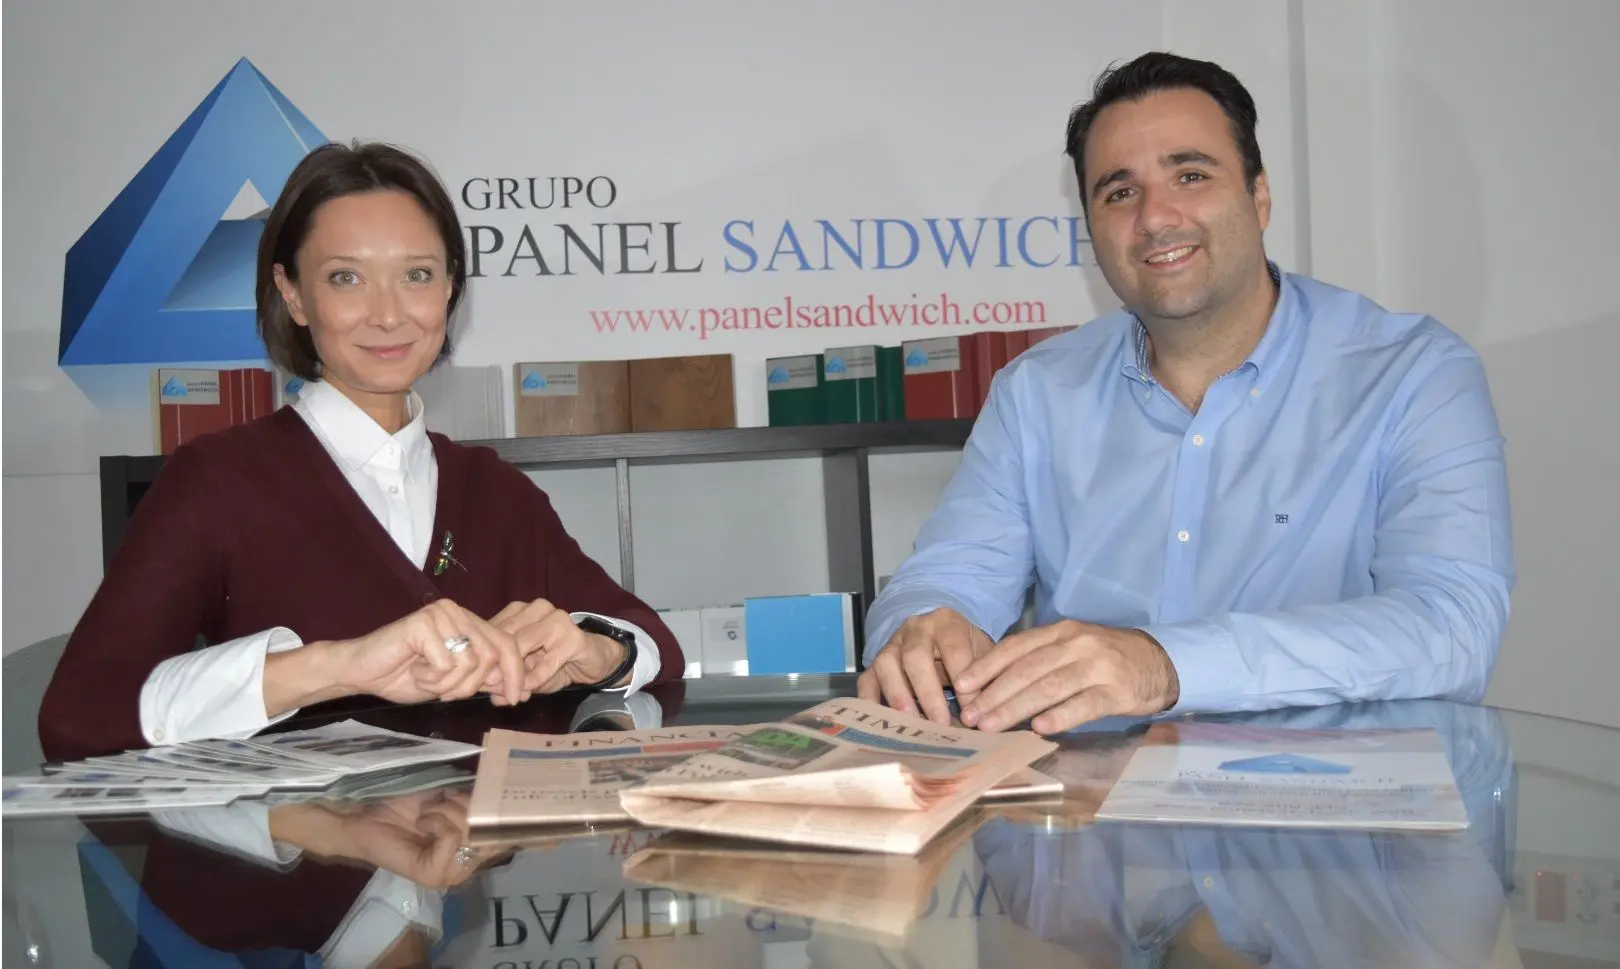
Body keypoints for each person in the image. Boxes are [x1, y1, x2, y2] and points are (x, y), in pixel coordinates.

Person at [858, 51, 1515, 734]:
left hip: (1324, 794)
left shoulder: (1414, 373)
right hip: (1092, 795)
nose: (1155, 217)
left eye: (1190, 175)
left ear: (1259, 196)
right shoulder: (1035, 391)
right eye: (1119, 193)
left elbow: (1452, 628)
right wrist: (924, 629)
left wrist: (1164, 664)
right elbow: (949, 576)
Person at [39, 141, 684, 761]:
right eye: (346, 278)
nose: (388, 315)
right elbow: (79, 712)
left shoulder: (495, 489)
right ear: (292, 293)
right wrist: (334, 666)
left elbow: (655, 642)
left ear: (450, 288)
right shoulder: (216, 480)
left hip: (478, 834)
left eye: (417, 275)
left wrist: (597, 651)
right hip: (291, 840)